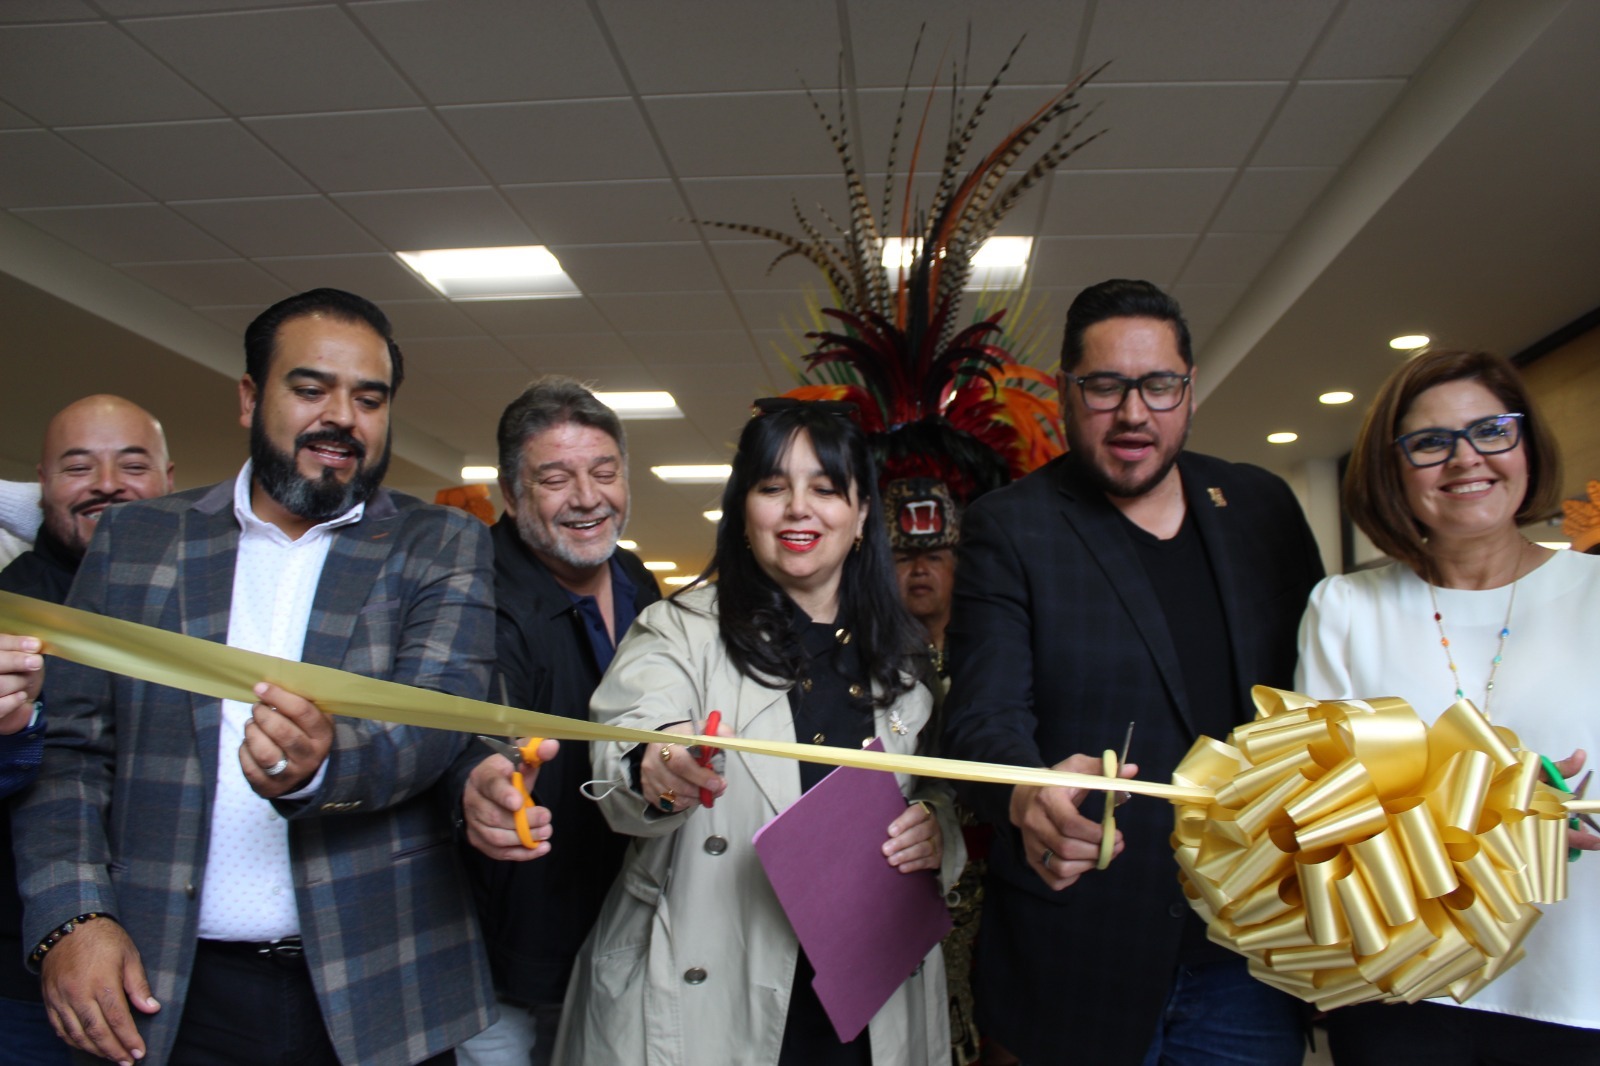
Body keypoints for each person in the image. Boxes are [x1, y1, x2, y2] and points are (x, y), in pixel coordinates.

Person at [12, 288, 505, 1066]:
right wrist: (72, 919)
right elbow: (71, 753)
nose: (341, 415)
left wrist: (325, 764)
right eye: (311, 389)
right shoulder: (140, 540)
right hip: (165, 990)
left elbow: (435, 716)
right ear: (251, 398)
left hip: (381, 986)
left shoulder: (439, 542)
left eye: (368, 398)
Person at [942, 278, 1324, 1065]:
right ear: (1064, 392)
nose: (1133, 414)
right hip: (1078, 947)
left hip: (1249, 952)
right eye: (1106, 386)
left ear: (1190, 390)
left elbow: (1323, 695)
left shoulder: (1260, 506)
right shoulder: (1012, 527)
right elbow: (983, 716)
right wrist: (1027, 788)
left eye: (1159, 385)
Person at [548, 400, 962, 1065]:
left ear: (860, 516)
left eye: (825, 489)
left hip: (865, 999)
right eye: (773, 488)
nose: (799, 507)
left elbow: (940, 793)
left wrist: (937, 835)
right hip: (706, 997)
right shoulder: (678, 629)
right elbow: (633, 738)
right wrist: (657, 766)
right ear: (744, 511)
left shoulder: (906, 660)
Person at [1296, 348, 1600, 1063]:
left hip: (1577, 981)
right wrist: (1487, 824)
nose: (1467, 459)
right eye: (1431, 443)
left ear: (1525, 445)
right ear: (1392, 469)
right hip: (1399, 986)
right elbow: (1314, 816)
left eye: (1491, 430)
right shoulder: (1345, 609)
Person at [455, 378, 659, 1066]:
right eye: (555, 478)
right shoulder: (473, 592)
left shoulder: (637, 581)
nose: (587, 497)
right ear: (511, 496)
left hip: (630, 927)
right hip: (512, 952)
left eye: (604, 473)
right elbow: (474, 740)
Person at [0, 394, 173, 1065]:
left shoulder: (211, 610)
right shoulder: (8, 613)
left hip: (181, 968)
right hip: (25, 981)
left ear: (167, 480)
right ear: (42, 483)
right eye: (79, 467)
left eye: (132, 465)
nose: (108, 485)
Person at [885, 478, 960, 685]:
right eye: (904, 559)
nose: (919, 570)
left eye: (933, 557)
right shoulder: (873, 651)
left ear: (955, 566)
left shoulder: (981, 643)